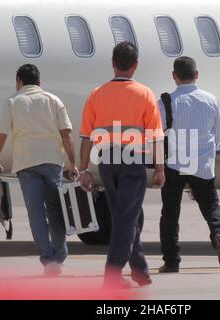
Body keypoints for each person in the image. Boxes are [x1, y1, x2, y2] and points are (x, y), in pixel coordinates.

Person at [78, 41, 165, 289]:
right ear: (135, 66)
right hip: (132, 161)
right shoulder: (145, 93)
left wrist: (84, 169)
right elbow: (157, 136)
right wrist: (159, 169)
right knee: (127, 219)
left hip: (106, 161)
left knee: (123, 218)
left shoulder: (97, 93)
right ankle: (112, 275)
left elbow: (85, 136)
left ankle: (140, 271)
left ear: (113, 64)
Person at [0, 64, 79, 276]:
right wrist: (73, 164)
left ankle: (48, 260)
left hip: (26, 164)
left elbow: (0, 134)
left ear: (18, 82)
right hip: (52, 162)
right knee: (55, 211)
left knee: (36, 213)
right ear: (39, 82)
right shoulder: (53, 100)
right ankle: (60, 255)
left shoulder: (12, 101)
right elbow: (66, 134)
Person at [158, 56, 220, 273]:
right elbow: (217, 136)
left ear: (174, 76)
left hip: (175, 163)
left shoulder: (165, 101)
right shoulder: (211, 99)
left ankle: (171, 262)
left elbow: (156, 132)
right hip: (202, 165)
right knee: (211, 207)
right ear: (196, 75)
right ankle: (219, 234)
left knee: (170, 213)